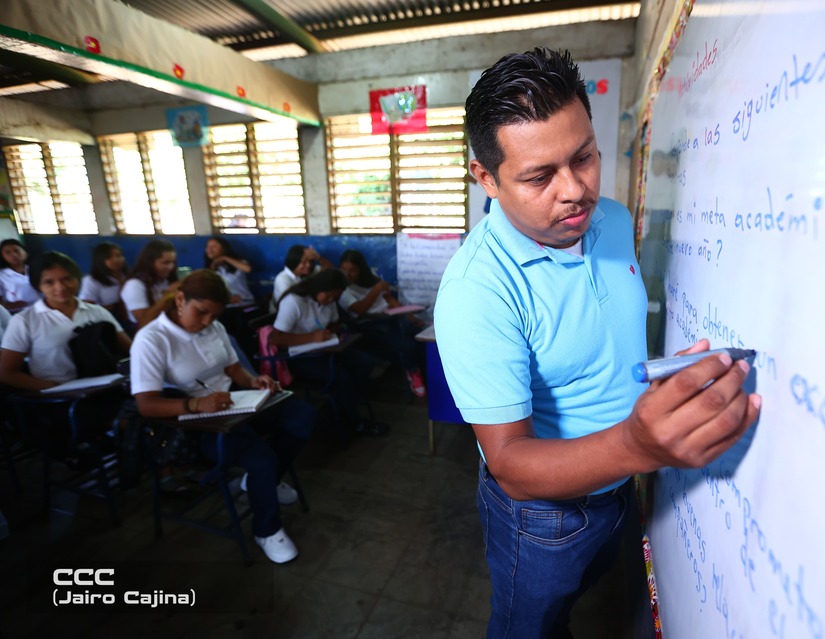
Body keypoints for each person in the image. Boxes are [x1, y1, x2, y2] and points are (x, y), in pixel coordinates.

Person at [433, 48, 761, 639]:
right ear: (486, 177)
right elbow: (508, 463)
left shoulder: (609, 218)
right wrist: (638, 445)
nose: (575, 191)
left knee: (588, 602)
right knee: (528, 629)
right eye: (538, 176)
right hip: (541, 518)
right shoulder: (476, 291)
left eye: (584, 157)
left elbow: (606, 342)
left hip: (621, 488)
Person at [130, 269, 316, 564]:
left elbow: (232, 369)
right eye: (201, 312)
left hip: (234, 404)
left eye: (213, 316)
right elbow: (146, 405)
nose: (207, 322)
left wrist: (254, 380)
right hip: (199, 425)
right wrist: (194, 405)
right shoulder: (152, 339)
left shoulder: (214, 328)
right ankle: (266, 529)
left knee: (302, 416)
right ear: (180, 299)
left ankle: (262, 482)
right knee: (261, 458)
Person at [0, 252, 131, 460]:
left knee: (144, 409)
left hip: (105, 390)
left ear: (77, 279)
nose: (60, 287)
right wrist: (50, 387)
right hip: (61, 401)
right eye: (49, 282)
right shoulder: (26, 321)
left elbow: (131, 350)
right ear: (37, 285)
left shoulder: (96, 312)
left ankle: (138, 465)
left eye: (66, 279)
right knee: (131, 422)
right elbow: (6, 373)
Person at [270, 269, 385, 438]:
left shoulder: (329, 301)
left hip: (325, 350)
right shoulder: (294, 302)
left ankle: (344, 403)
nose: (332, 300)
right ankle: (354, 423)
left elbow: (334, 322)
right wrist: (312, 337)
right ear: (318, 287)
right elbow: (277, 338)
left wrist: (331, 330)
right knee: (342, 378)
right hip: (301, 358)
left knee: (364, 363)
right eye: (329, 295)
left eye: (336, 296)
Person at [338, 249, 426, 397]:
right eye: (344, 269)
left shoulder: (369, 279)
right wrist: (376, 289)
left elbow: (390, 300)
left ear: (361, 269)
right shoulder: (343, 289)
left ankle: (425, 375)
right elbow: (359, 309)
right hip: (370, 324)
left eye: (352, 270)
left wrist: (411, 317)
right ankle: (413, 375)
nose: (348, 274)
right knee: (406, 345)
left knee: (420, 338)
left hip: (391, 318)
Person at [120, 239, 179, 330]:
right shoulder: (134, 285)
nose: (170, 267)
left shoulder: (165, 280)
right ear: (150, 262)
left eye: (173, 262)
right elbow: (144, 322)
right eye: (165, 263)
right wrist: (168, 295)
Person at [79, 241, 128, 326]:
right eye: (109, 257)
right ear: (100, 259)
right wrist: (115, 307)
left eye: (118, 255)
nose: (116, 260)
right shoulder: (91, 280)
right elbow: (87, 308)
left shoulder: (127, 277)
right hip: (106, 321)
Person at [203, 236, 255, 305]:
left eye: (214, 246)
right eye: (208, 247)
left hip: (244, 302)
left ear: (224, 249)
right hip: (224, 306)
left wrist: (224, 258)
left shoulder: (238, 263)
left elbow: (248, 269)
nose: (209, 250)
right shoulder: (208, 269)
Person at [0, 238, 40, 312]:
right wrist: (10, 305)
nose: (14, 255)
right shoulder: (2, 275)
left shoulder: (36, 269)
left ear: (25, 252)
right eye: (7, 252)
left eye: (17, 250)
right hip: (18, 312)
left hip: (42, 308)